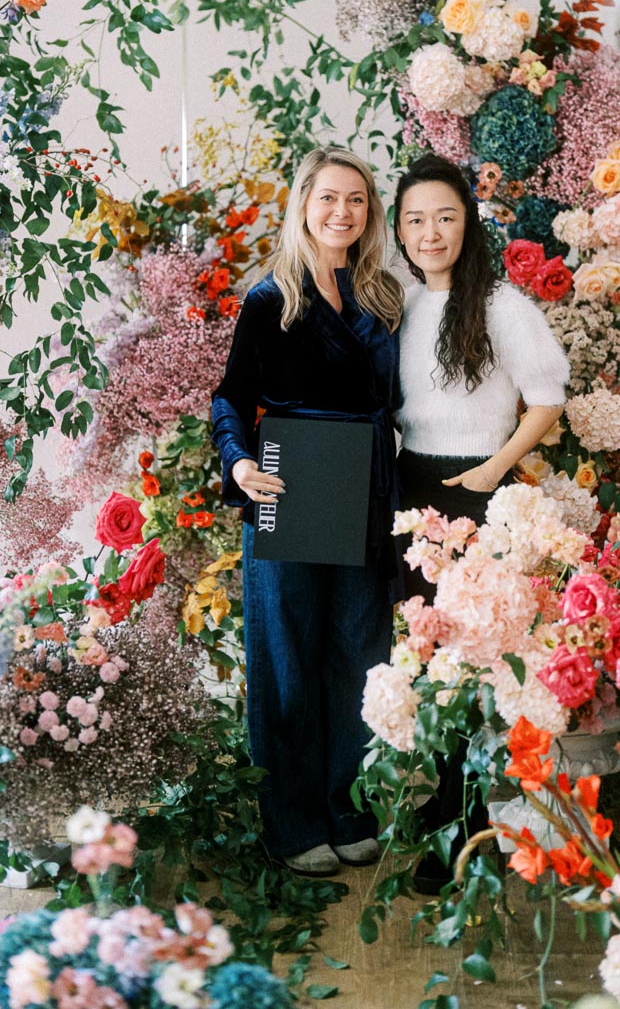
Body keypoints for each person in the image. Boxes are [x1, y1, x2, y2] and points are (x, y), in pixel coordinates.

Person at [212, 146, 402, 877]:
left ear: (369, 212)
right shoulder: (270, 299)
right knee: (287, 659)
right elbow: (231, 396)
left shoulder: (382, 297)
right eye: (329, 198)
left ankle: (348, 808)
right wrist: (239, 462)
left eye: (356, 200)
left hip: (362, 494)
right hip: (285, 493)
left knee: (357, 653)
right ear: (303, 204)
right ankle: (292, 824)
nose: (342, 212)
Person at [394, 151, 570, 893]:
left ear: (468, 224)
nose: (430, 233)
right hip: (410, 491)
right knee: (425, 661)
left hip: (479, 489)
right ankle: (440, 806)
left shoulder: (502, 304)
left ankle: (468, 828)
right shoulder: (398, 304)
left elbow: (548, 400)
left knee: (473, 663)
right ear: (399, 231)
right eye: (415, 220)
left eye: (445, 217)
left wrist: (496, 470)